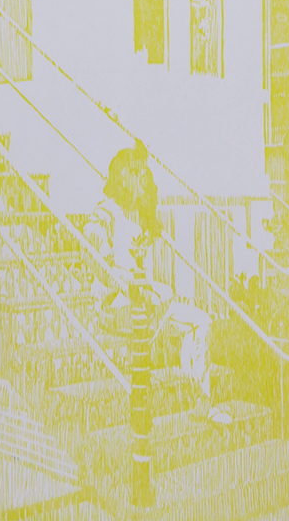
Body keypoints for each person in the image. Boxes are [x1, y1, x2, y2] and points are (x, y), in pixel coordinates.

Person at [84, 139, 232, 425]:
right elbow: (95, 258)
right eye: (135, 174)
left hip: (141, 302)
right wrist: (128, 283)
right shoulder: (104, 212)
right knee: (160, 301)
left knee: (201, 321)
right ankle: (149, 408)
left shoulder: (137, 217)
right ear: (122, 178)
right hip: (113, 306)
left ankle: (202, 399)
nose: (141, 180)